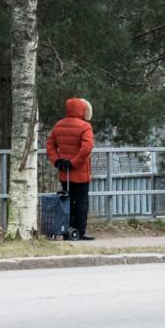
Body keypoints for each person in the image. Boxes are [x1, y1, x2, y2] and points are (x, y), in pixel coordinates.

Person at [46, 97, 96, 240]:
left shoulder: (59, 125)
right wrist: (74, 163)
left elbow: (50, 145)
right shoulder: (85, 127)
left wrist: (57, 161)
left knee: (67, 201)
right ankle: (79, 231)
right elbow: (87, 148)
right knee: (81, 203)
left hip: (64, 173)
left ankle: (66, 229)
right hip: (80, 173)